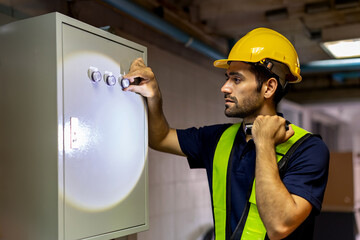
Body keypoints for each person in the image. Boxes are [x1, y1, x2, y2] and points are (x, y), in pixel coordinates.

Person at [123, 28, 329, 240]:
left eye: (236, 79)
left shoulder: (308, 148)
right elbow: (161, 138)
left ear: (269, 88)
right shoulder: (219, 138)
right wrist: (154, 95)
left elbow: (279, 226)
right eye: (227, 78)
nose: (224, 87)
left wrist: (265, 143)